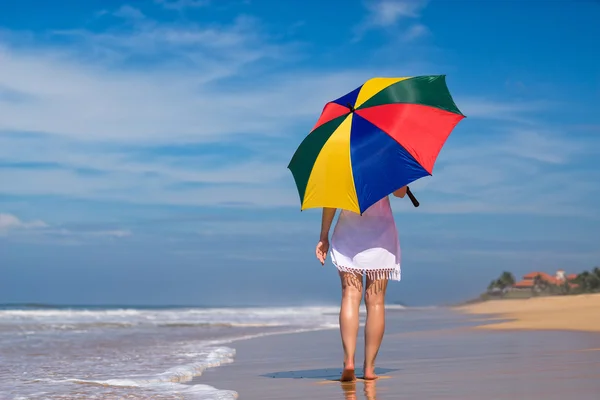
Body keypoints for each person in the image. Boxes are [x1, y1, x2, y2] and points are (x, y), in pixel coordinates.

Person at [315, 186, 407, 382]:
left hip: (349, 233)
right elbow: (400, 193)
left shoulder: (341, 160)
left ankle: (349, 360)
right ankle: (369, 368)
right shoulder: (387, 156)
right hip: (380, 236)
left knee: (350, 296)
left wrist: (324, 236)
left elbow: (331, 200)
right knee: (375, 301)